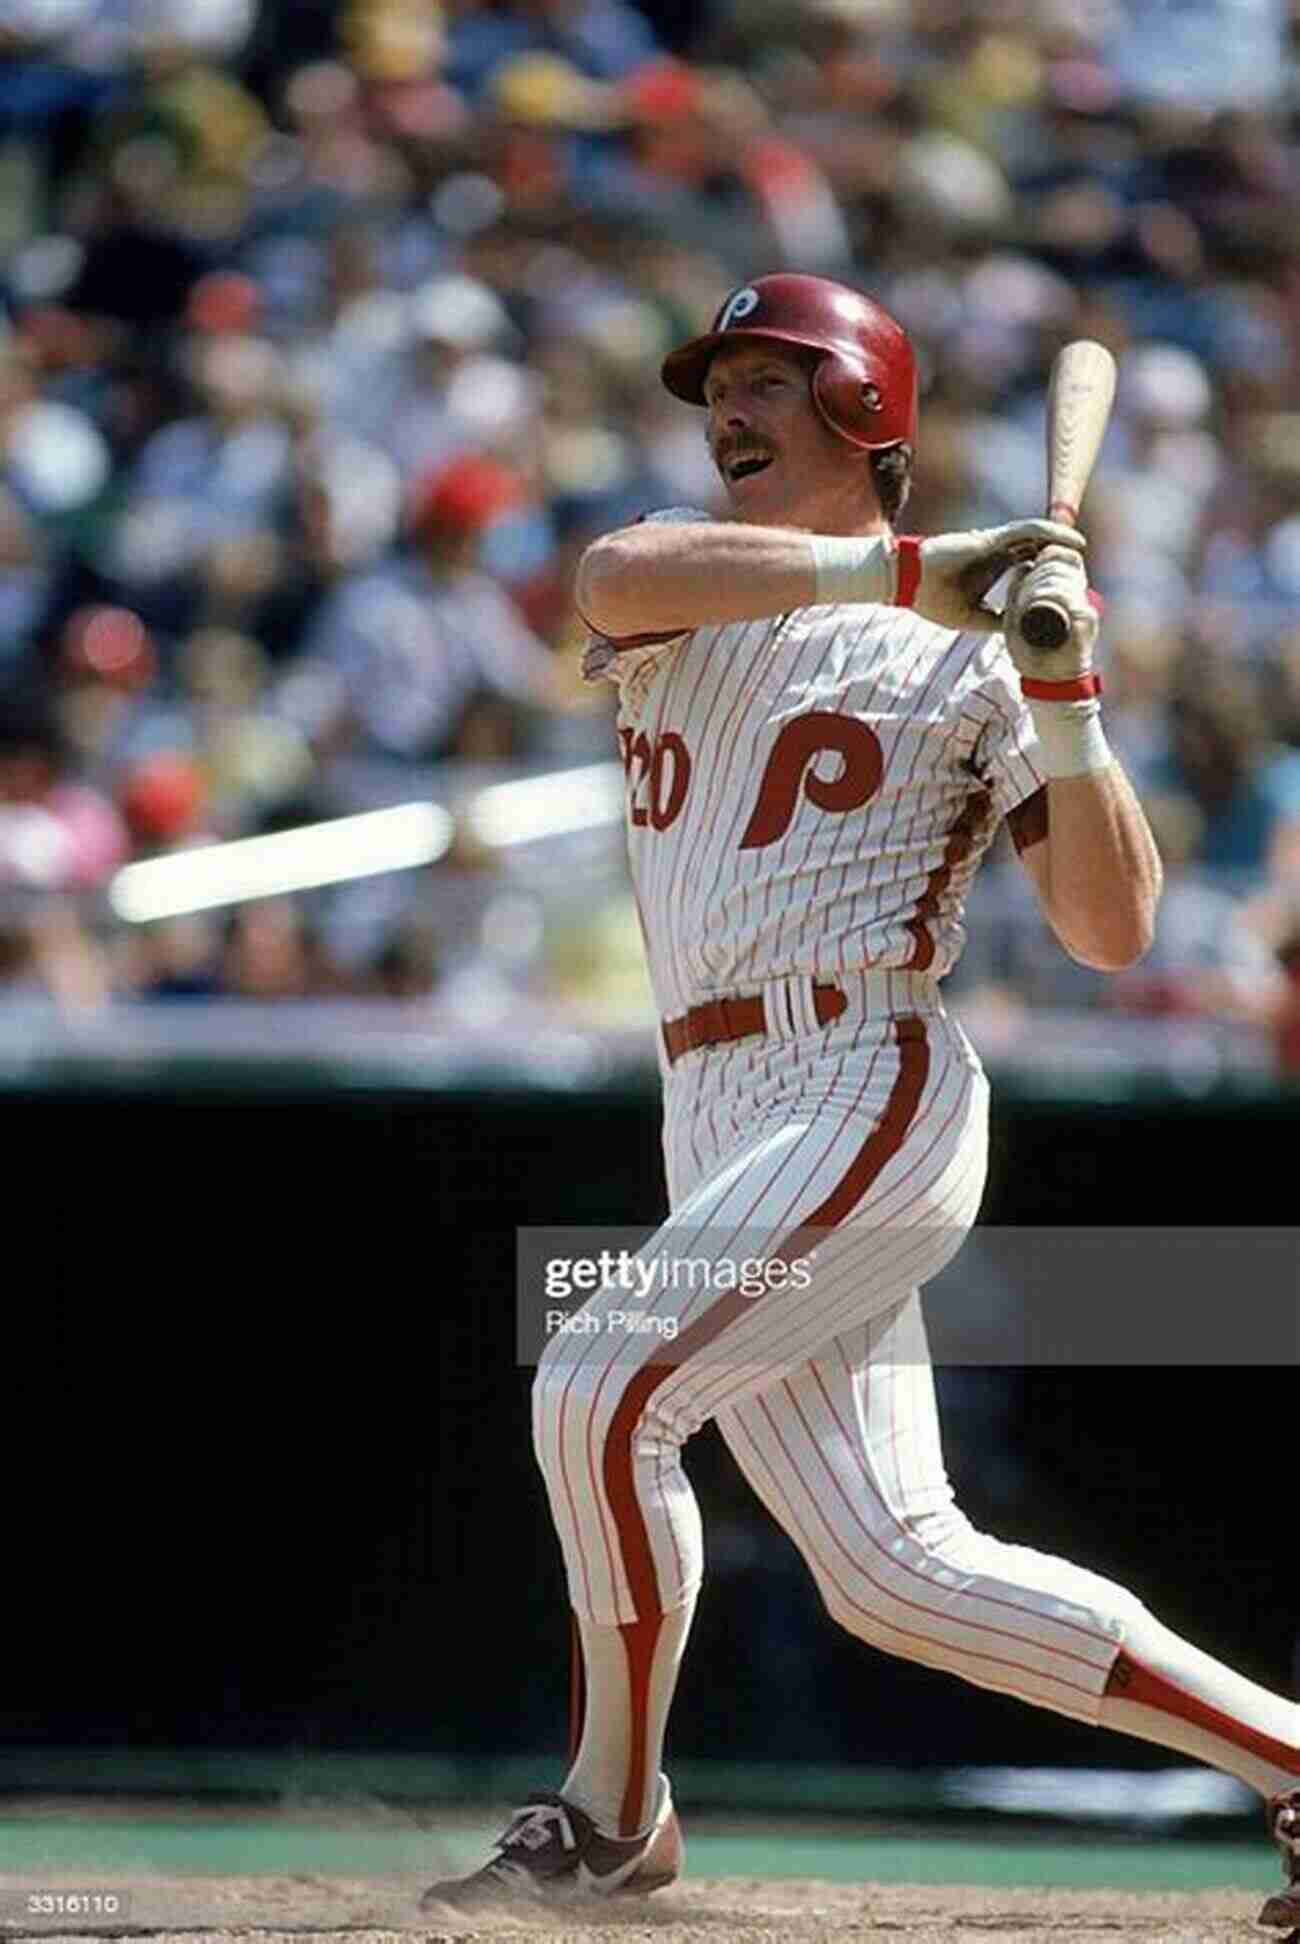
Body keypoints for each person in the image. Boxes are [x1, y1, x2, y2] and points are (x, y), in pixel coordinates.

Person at [420, 275, 1299, 1920]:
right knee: (894, 1572)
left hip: (863, 1073)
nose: (729, 409)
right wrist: (921, 567)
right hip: (715, 1097)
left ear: (866, 412)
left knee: (596, 1383)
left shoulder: (963, 666)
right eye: (721, 382)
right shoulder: (696, 577)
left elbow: (1112, 933)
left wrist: (1064, 688)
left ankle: (612, 1816)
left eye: (773, 378)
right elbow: (607, 576)